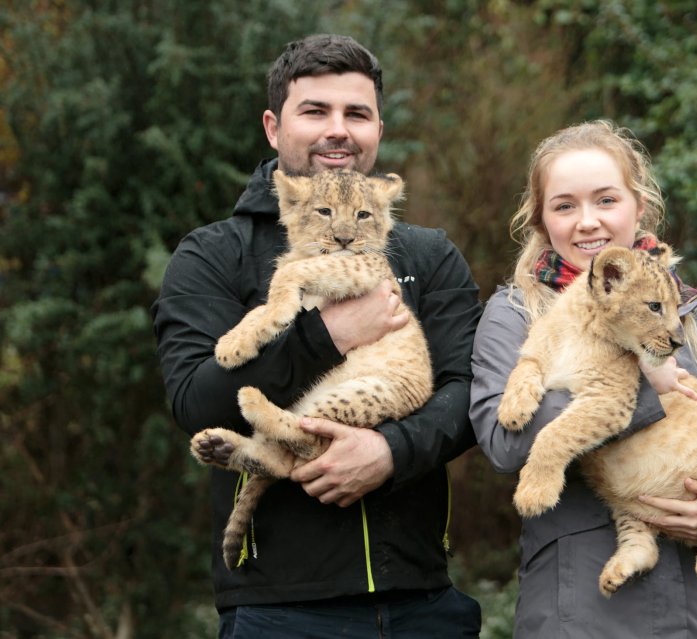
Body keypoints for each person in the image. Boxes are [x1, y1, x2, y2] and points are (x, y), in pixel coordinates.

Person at [151, 34, 483, 638]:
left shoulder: (428, 254)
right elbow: (195, 402)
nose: (339, 130)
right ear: (274, 127)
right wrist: (326, 336)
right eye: (316, 111)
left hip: (423, 602)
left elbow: (472, 395)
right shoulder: (213, 255)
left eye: (356, 113)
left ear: (378, 128)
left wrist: (391, 453)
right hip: (280, 611)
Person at [469, 120, 697, 637]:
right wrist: (649, 392)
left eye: (606, 200)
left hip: (693, 614)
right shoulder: (515, 313)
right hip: (575, 612)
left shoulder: (696, 323)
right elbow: (502, 442)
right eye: (564, 206)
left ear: (638, 207)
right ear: (540, 220)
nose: (587, 223)